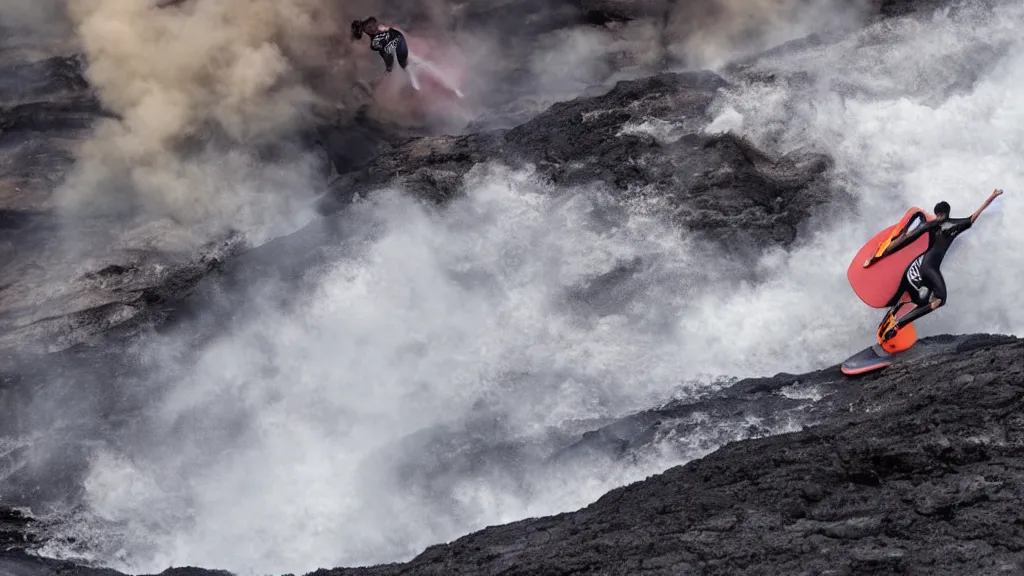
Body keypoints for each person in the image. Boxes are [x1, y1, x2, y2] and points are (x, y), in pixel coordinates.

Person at [863, 188, 1004, 340]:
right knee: (939, 300)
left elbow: (906, 239)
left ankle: (894, 313)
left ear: (937, 213)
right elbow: (976, 214)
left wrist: (878, 256)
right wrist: (992, 196)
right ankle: (897, 326)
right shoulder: (955, 224)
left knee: (923, 300)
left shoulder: (929, 225)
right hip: (930, 269)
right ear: (948, 212)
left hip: (920, 266)